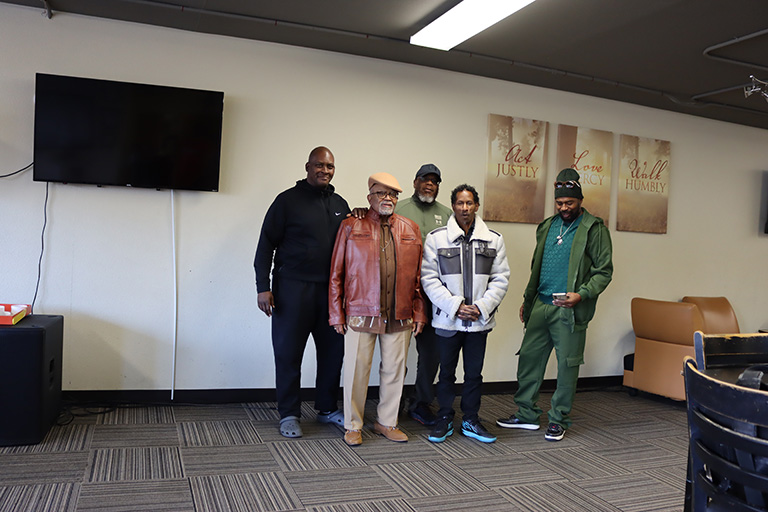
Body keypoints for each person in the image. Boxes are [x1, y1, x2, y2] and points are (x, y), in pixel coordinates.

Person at [496, 168, 613, 441]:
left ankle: (558, 419)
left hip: (569, 309)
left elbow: (604, 271)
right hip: (541, 304)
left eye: (569, 203)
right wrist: (528, 301)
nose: (564, 208)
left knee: (567, 366)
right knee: (529, 360)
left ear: (580, 200)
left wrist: (581, 294)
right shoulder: (547, 226)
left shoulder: (594, 229)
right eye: (559, 203)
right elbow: (536, 268)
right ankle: (526, 414)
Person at [254, 146, 350, 438]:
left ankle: (327, 408)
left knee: (333, 353)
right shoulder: (286, 201)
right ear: (307, 167)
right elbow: (265, 245)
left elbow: (352, 244)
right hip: (292, 290)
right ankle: (289, 414)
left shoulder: (340, 204)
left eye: (330, 166)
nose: (325, 171)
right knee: (288, 354)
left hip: (330, 292)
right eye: (319, 165)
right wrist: (263, 287)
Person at [329, 172, 427, 446]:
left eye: (393, 194)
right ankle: (353, 425)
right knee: (356, 371)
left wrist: (419, 311)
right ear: (369, 197)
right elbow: (336, 273)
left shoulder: (410, 229)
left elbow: (418, 277)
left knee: (395, 370)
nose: (388, 198)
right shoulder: (351, 225)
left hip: (400, 312)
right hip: (360, 311)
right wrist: (336, 313)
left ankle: (387, 421)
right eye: (382, 193)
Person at [420, 184, 509, 444]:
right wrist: (455, 306)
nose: (465, 208)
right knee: (446, 373)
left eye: (469, 203)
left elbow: (500, 279)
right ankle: (445, 417)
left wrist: (481, 307)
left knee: (474, 374)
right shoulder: (436, 238)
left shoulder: (494, 239)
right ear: (453, 206)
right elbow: (429, 279)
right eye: (460, 203)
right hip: (448, 320)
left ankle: (471, 419)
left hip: (479, 322)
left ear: (476, 206)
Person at [394, 164, 452, 426]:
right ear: (415, 182)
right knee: (396, 349)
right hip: (402, 290)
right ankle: (392, 400)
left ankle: (421, 402)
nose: (430, 184)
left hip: (433, 293)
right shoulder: (399, 208)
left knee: (431, 353)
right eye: (425, 179)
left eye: (435, 181)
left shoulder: (447, 215)